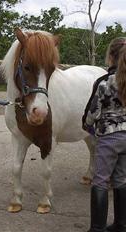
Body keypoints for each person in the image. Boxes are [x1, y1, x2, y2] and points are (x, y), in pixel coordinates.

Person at [82, 37, 126, 232]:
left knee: (100, 181)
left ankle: (97, 229)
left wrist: (87, 125)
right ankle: (121, 225)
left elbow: (92, 113)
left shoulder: (104, 83)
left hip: (108, 138)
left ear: (110, 56)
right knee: (121, 179)